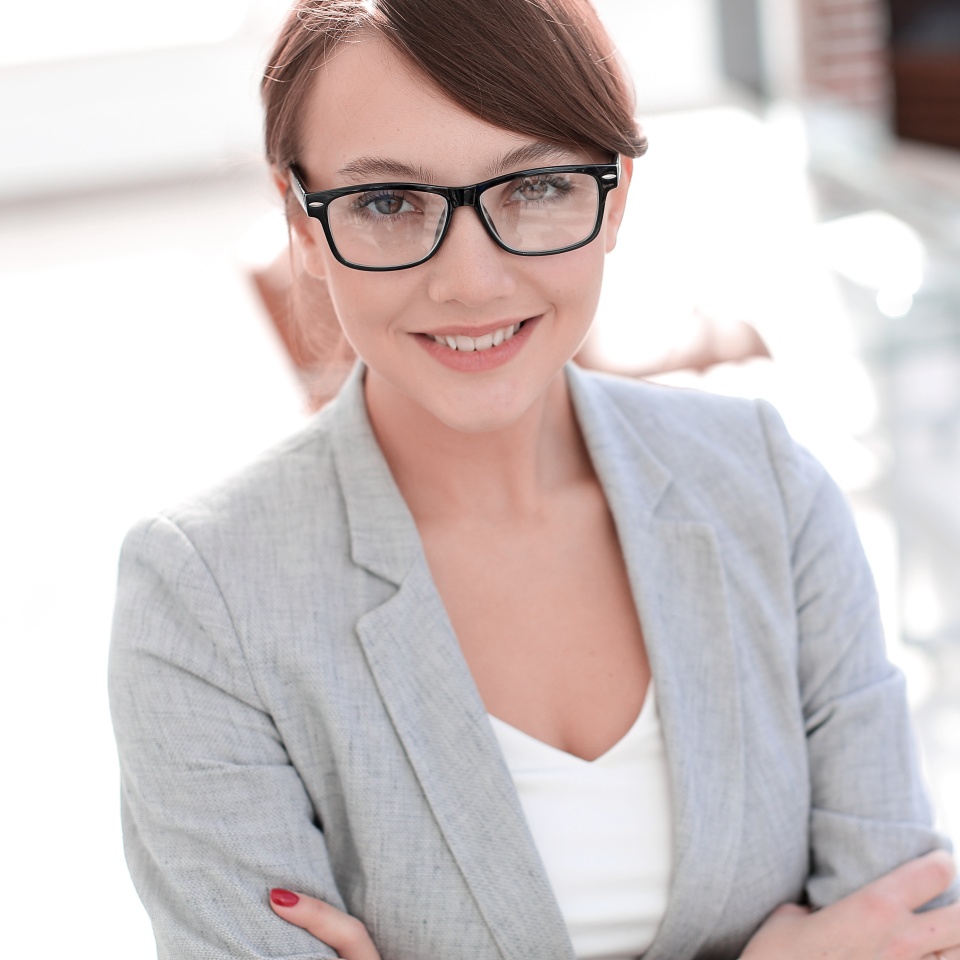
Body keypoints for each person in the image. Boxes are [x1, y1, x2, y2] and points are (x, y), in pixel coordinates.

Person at [108, 1, 960, 958]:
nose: (471, 282)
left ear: (616, 196)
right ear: (301, 222)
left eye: (538, 186)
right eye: (387, 203)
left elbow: (912, 931)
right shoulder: (204, 594)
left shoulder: (765, 488)